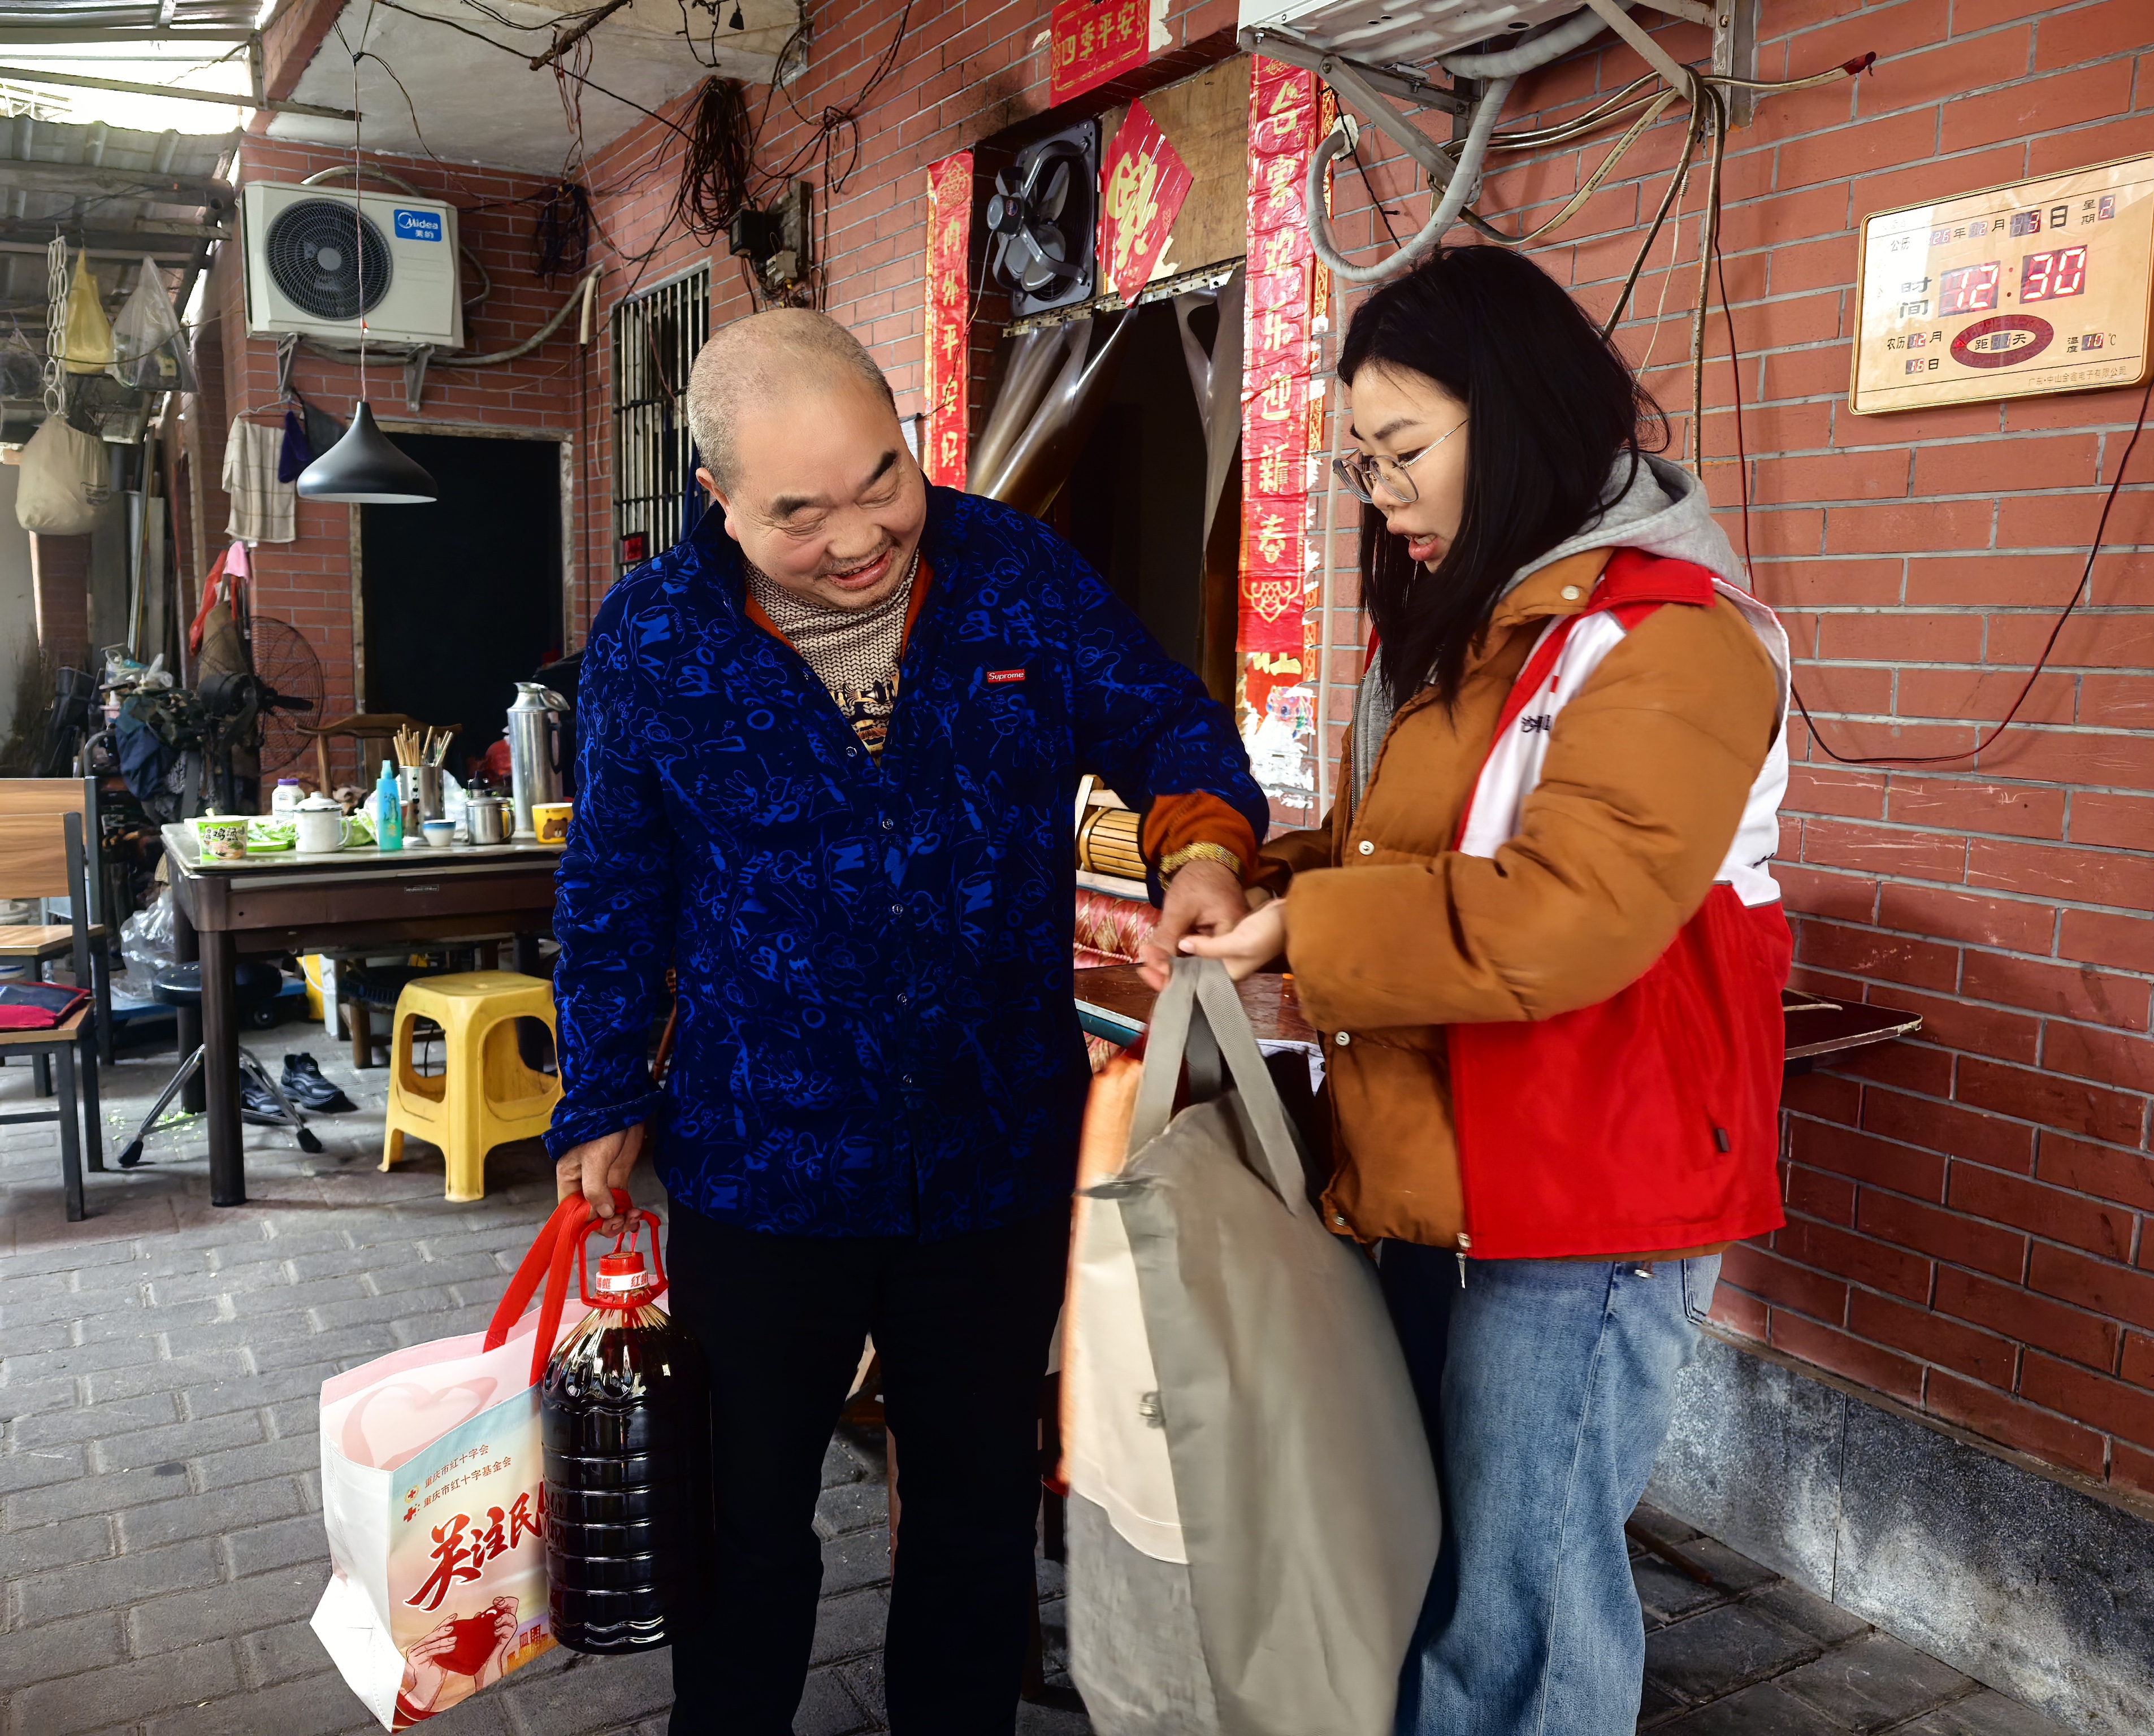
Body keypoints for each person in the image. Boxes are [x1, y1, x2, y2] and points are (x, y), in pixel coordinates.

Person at [545, 309, 1267, 1734]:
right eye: (799, 514)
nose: (860, 536)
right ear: (718, 500)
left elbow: (1167, 722)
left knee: (975, 1509)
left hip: (991, 1148)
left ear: (906, 434)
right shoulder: (654, 637)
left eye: (881, 479)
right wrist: (603, 1090)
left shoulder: (1014, 574)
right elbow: (613, 884)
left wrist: (1198, 849)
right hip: (764, 1159)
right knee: (744, 1517)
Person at [1178, 247, 1791, 1734]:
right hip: (1444, 1165)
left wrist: (1305, 929)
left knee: (1521, 1601)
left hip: (1585, 1189)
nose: (1381, 495)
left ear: (1514, 412)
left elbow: (1563, 914)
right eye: (1358, 462)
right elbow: (1400, 853)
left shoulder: (1672, 640)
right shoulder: (1483, 624)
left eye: (1401, 451)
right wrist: (1244, 874)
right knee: (1433, 1557)